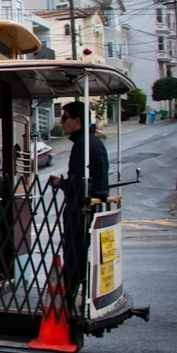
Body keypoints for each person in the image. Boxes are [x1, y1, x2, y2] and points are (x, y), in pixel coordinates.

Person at [49, 101, 109, 299]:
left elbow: (79, 183)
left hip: (80, 208)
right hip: (92, 205)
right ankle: (75, 292)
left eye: (65, 118)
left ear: (77, 120)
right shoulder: (95, 142)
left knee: (74, 253)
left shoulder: (82, 145)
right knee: (80, 253)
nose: (62, 122)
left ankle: (67, 297)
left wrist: (62, 184)